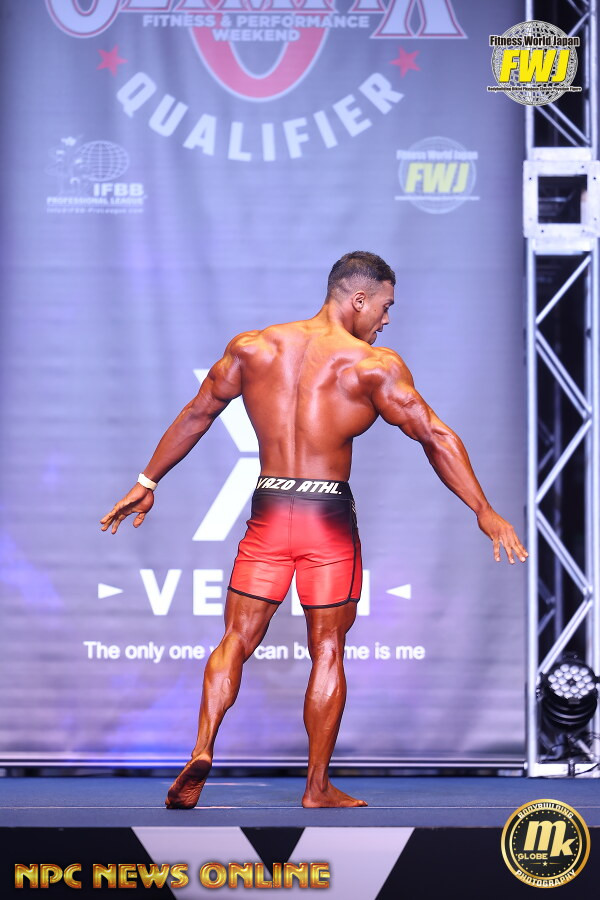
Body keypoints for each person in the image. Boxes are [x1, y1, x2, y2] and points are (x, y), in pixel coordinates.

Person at [100, 251, 528, 809]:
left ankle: (203, 747)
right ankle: (317, 786)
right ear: (359, 299)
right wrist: (483, 509)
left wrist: (147, 480)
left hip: (270, 509)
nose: (386, 320)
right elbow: (435, 436)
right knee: (327, 648)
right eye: (385, 306)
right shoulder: (373, 365)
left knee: (236, 639)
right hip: (327, 519)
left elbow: (198, 414)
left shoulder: (254, 347)